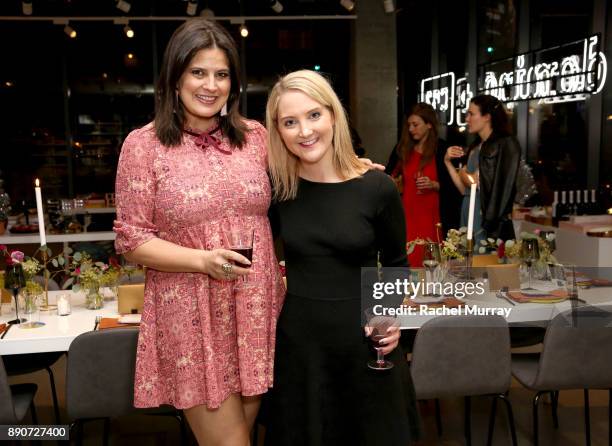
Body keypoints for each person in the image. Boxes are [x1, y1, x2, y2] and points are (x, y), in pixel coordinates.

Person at [113, 19, 285, 446]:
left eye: (222, 74)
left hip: (253, 309)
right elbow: (131, 239)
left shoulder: (256, 138)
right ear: (175, 78)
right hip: (190, 313)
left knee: (243, 435)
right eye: (198, 72)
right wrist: (202, 261)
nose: (211, 85)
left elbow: (306, 177)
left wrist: (355, 173)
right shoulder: (144, 145)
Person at [264, 70, 419, 445]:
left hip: (365, 345)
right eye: (290, 122)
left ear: (334, 115)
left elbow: (397, 263)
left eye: (314, 115)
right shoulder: (275, 189)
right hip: (302, 350)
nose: (304, 131)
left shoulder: (376, 187)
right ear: (278, 131)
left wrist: (386, 315)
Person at [461, 95, 520, 241]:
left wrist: (463, 174)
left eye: (471, 114)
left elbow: (491, 185)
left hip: (488, 220)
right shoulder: (479, 146)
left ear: (487, 117)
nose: (467, 119)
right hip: (476, 213)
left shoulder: (505, 144)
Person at [390, 103, 443, 266]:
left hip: (431, 213)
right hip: (408, 211)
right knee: (409, 257)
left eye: (416, 125)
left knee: (430, 258)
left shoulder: (441, 149)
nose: (411, 129)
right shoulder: (403, 149)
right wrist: (394, 182)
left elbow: (453, 187)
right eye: (409, 125)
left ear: (429, 124)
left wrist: (434, 185)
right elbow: (390, 175)